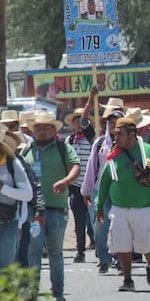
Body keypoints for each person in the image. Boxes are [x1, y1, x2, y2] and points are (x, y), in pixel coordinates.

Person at [96, 117, 150, 292]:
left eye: (120, 134)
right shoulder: (113, 155)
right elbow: (104, 181)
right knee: (121, 244)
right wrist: (99, 206)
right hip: (119, 208)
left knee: (145, 242)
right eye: (115, 134)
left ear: (132, 134)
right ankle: (128, 279)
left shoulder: (149, 152)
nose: (116, 138)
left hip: (144, 207)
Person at [22, 113, 81, 301]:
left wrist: (65, 181)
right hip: (33, 212)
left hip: (56, 210)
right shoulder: (26, 151)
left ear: (54, 130)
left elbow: (75, 167)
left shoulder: (64, 148)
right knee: (34, 250)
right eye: (38, 127)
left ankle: (58, 292)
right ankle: (32, 293)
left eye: (46, 127)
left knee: (55, 251)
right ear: (33, 130)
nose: (41, 130)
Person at [82, 104, 125, 274]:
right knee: (100, 226)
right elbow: (92, 168)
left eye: (118, 123)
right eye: (111, 123)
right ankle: (103, 257)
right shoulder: (100, 143)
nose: (114, 127)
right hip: (101, 190)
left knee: (120, 226)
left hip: (122, 191)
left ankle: (121, 259)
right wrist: (85, 191)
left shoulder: (130, 144)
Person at [65, 105, 97, 263]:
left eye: (81, 121)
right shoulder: (69, 140)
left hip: (91, 187)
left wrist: (91, 99)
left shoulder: (91, 137)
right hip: (76, 187)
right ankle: (80, 251)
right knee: (79, 223)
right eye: (76, 121)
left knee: (95, 220)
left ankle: (99, 248)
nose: (79, 124)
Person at [0, 128, 33, 269]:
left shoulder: (12, 164)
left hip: (7, 222)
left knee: (6, 269)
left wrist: (3, 189)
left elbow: (27, 194)